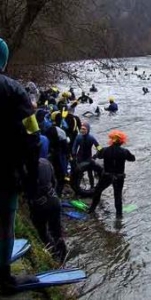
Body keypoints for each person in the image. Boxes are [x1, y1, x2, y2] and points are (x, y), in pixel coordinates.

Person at [0, 37, 41, 294]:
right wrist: (32, 175)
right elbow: (33, 135)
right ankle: (4, 279)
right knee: (5, 225)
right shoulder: (15, 91)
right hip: (5, 172)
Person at [88, 130, 135, 218]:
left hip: (106, 175)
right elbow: (132, 159)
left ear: (111, 140)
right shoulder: (125, 151)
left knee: (98, 191)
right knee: (117, 196)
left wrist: (97, 152)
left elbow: (98, 155)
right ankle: (119, 217)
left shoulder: (105, 150)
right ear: (122, 141)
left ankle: (91, 210)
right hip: (119, 177)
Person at [29, 157, 67, 263]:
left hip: (40, 204)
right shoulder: (46, 162)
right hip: (54, 200)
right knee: (57, 232)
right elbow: (54, 181)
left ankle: (54, 257)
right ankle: (63, 257)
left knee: (42, 231)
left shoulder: (27, 167)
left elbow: (26, 188)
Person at [72, 121, 102, 188]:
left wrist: (95, 156)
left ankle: (92, 187)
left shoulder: (91, 138)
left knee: (90, 173)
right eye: (81, 129)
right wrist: (74, 155)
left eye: (84, 129)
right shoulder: (78, 137)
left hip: (88, 158)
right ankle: (78, 187)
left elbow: (99, 148)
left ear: (88, 130)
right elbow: (74, 147)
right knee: (79, 173)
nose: (82, 131)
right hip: (80, 157)